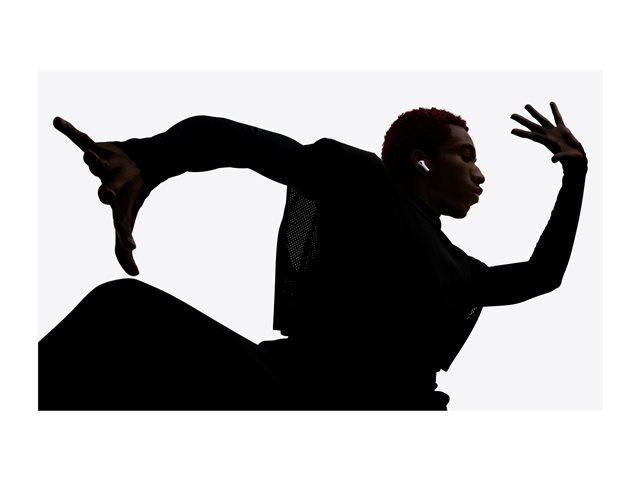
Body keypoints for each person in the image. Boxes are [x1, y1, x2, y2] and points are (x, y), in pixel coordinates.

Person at [39, 102, 587, 410]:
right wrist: (148, 157)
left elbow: (543, 274)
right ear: (422, 161)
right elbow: (239, 142)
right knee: (119, 312)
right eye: (465, 156)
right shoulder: (365, 183)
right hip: (294, 393)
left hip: (390, 419)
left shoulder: (463, 271)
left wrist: (575, 172)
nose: (478, 173)